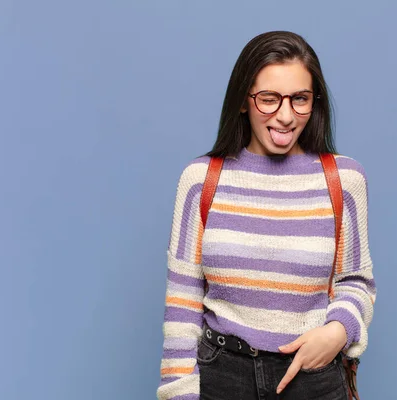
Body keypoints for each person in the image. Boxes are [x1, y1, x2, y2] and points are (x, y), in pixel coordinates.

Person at [157, 31, 376, 400]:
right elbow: (182, 301)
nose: (286, 116)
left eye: (300, 99)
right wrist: (177, 394)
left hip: (314, 378)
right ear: (244, 101)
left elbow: (356, 281)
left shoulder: (343, 180)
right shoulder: (200, 181)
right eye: (269, 99)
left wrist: (338, 331)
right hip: (222, 376)